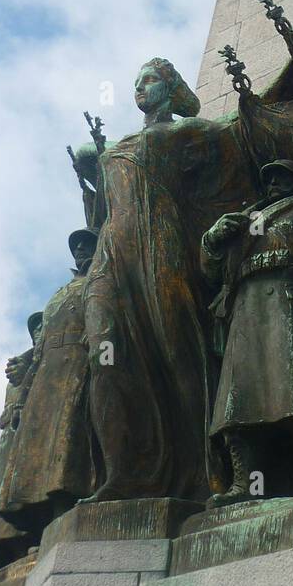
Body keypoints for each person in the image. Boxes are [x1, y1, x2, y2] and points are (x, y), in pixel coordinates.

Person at [84, 59, 214, 502]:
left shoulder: (185, 134)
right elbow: (100, 212)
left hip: (161, 245)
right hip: (111, 255)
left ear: (171, 88)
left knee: (177, 352)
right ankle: (124, 471)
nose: (140, 88)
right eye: (135, 82)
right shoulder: (114, 149)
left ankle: (202, 466)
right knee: (104, 353)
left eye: (150, 80)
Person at [203, 160, 293, 503]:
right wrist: (211, 241)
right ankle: (246, 486)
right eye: (269, 178)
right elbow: (212, 274)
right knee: (238, 408)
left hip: (287, 302)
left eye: (282, 176)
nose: (274, 183)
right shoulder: (245, 221)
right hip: (246, 308)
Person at [0, 231, 99, 534]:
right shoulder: (61, 291)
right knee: (38, 452)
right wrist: (21, 397)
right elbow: (39, 350)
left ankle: (63, 511)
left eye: (87, 243)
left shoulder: (102, 278)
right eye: (76, 246)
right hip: (47, 375)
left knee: (67, 444)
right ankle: (43, 525)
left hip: (77, 364)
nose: (80, 249)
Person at [0, 311, 43, 571]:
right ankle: (9, 552)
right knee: (5, 500)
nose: (39, 332)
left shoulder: (40, 363)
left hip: (31, 440)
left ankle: (31, 538)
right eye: (35, 329)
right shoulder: (22, 366)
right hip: (11, 442)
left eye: (42, 326)